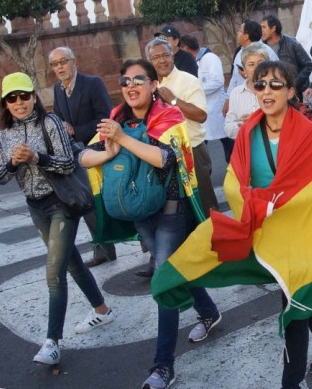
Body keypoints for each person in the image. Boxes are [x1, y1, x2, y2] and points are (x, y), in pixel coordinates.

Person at [152, 61, 312, 389]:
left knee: (293, 294)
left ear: (291, 91)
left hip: (301, 231)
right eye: (261, 85)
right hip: (264, 228)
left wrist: (276, 202)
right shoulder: (249, 132)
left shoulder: (308, 133)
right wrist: (255, 204)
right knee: (294, 289)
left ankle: (290, 382)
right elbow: (232, 181)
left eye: (275, 85)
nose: (267, 91)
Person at [79, 59, 221, 389]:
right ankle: (209, 311)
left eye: (138, 80)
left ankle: (163, 366)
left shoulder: (168, 115)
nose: (131, 86)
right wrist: (108, 150)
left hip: (172, 208)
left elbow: (165, 158)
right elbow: (84, 157)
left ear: (154, 85)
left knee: (163, 281)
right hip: (138, 211)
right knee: (175, 269)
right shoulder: (117, 118)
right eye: (125, 80)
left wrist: (122, 141)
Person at [0, 72, 114, 366]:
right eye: (13, 98)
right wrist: (13, 161)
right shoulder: (3, 135)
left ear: (34, 97)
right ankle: (102, 310)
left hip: (62, 202)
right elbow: (0, 176)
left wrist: (37, 157)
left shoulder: (49, 123)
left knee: (54, 273)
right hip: (35, 206)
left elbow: (66, 164)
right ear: (5, 104)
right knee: (71, 262)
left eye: (25, 96)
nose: (20, 103)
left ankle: (52, 342)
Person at [49, 46, 116, 267]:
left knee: (118, 199)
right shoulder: (58, 90)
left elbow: (105, 117)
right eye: (55, 64)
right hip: (77, 156)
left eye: (63, 61)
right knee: (88, 203)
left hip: (100, 150)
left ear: (74, 61)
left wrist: (75, 130)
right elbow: (59, 121)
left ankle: (148, 245)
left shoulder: (92, 83)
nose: (60, 67)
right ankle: (103, 249)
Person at [147, 38, 219, 216]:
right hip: (164, 155)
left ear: (173, 56)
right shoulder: (149, 85)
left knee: (204, 206)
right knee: (178, 210)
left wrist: (173, 100)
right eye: (156, 57)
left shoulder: (188, 80)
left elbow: (201, 115)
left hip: (192, 151)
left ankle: (217, 241)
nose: (162, 61)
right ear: (150, 61)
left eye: (166, 55)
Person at [179, 35, 230, 150]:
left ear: (186, 48)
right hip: (203, 110)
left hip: (216, 109)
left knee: (227, 143)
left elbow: (218, 81)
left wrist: (197, 91)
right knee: (201, 145)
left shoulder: (210, 58)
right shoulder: (192, 62)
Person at [261, 15, 312, 100]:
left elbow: (308, 64)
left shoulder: (292, 43)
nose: (261, 31)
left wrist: (295, 84)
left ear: (273, 28)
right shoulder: (261, 48)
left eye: (264, 27)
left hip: (292, 93)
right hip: (270, 93)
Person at [224, 44, 269, 140]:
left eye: (260, 63)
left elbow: (283, 121)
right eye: (251, 64)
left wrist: (256, 121)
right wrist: (245, 126)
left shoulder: (276, 90)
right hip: (246, 148)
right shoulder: (236, 93)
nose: (257, 68)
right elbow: (228, 127)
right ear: (244, 70)